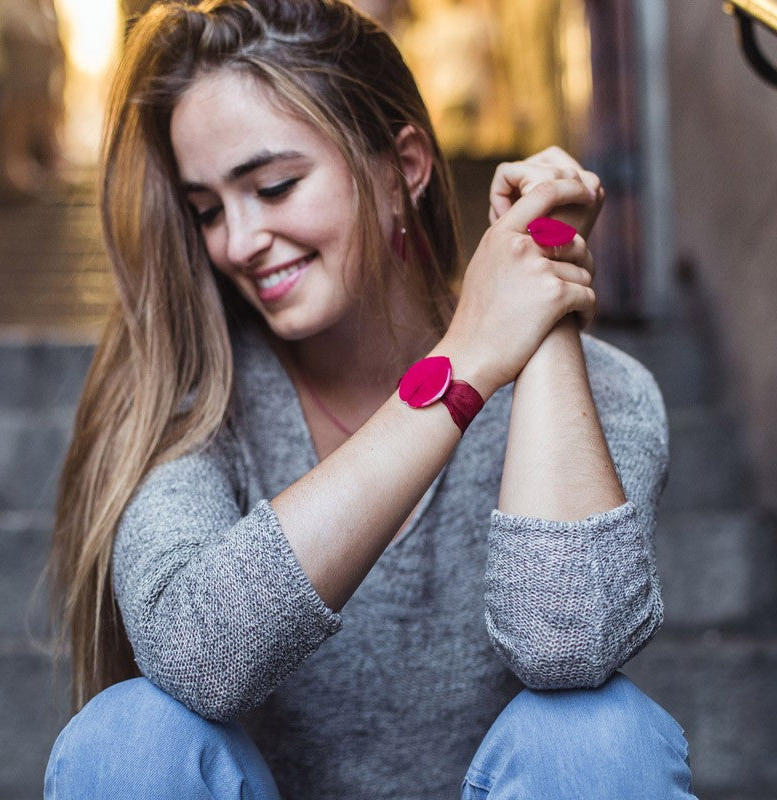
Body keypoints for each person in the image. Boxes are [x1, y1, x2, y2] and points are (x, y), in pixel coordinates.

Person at [44, 1, 697, 798]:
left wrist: (544, 303)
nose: (238, 241)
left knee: (600, 739)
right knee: (132, 738)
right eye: (208, 210)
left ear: (405, 167)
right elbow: (196, 654)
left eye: (275, 186)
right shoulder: (191, 401)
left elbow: (571, 642)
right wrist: (463, 363)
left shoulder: (612, 393)